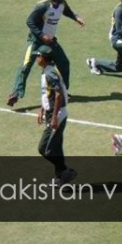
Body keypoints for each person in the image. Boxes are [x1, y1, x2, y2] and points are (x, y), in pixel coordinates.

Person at [7, 0, 85, 107]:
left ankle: (62, 91)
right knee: (26, 65)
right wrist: (42, 36)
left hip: (51, 41)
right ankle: (15, 94)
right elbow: (29, 22)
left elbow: (67, 11)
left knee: (64, 63)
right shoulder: (42, 6)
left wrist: (76, 18)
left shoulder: (62, 3)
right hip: (36, 41)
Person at [34, 45, 77, 187]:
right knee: (56, 148)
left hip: (56, 115)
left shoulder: (49, 73)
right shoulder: (48, 70)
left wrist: (53, 118)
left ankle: (66, 171)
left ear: (43, 58)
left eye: (38, 56)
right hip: (53, 113)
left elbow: (58, 95)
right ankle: (60, 178)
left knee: (45, 148)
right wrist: (42, 109)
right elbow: (48, 94)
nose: (36, 58)